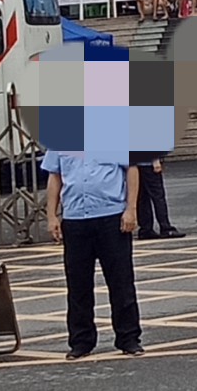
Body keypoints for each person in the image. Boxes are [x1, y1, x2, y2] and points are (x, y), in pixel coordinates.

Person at [44, 148, 143, 358]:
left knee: (121, 281)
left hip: (111, 216)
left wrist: (131, 209)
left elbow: (131, 170)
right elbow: (55, 176)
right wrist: (51, 215)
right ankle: (81, 341)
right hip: (75, 219)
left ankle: (129, 338)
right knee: (78, 284)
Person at [135, 157, 186, 239]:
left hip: (136, 164)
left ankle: (146, 229)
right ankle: (165, 227)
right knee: (158, 196)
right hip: (148, 163)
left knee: (142, 198)